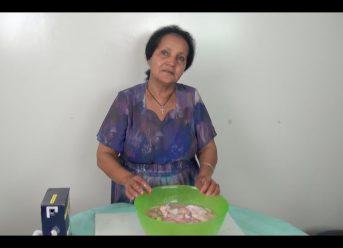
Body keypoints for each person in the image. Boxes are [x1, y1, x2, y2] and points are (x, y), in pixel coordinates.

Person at [96, 25, 220, 203]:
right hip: (135, 197)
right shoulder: (127, 101)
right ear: (149, 57)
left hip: (184, 196)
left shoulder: (191, 99)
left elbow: (208, 148)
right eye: (164, 53)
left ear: (184, 67)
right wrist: (127, 179)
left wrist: (205, 174)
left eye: (180, 58)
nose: (172, 62)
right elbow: (103, 155)